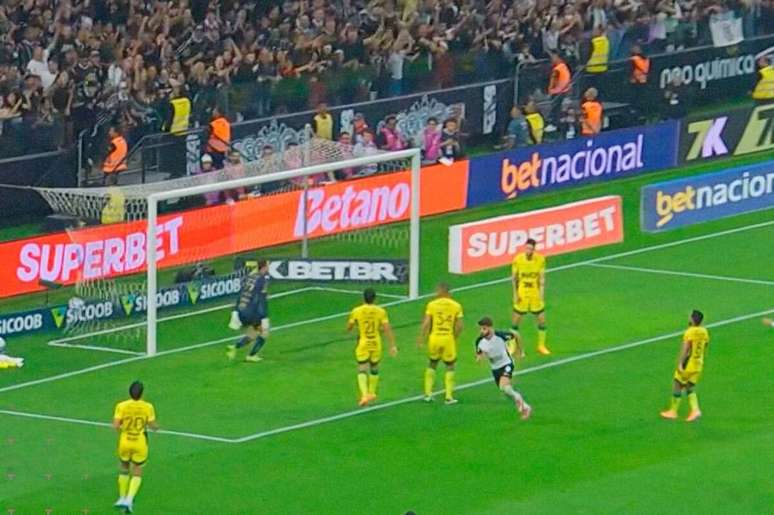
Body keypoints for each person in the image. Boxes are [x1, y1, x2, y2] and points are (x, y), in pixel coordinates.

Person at [347, 288, 398, 407]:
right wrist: (392, 345)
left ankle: (364, 394)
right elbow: (387, 329)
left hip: (364, 342)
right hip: (376, 342)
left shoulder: (356, 311)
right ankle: (372, 392)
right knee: (374, 366)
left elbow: (349, 326)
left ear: (363, 298)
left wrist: (354, 328)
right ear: (375, 298)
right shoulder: (380, 311)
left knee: (362, 368)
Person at [113, 380, 158, 513]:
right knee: (137, 470)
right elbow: (152, 425)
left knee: (124, 467)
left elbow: (115, 425)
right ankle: (129, 499)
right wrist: (157, 427)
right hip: (139, 442)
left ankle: (121, 497)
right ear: (142, 393)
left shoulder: (121, 406)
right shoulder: (148, 406)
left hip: (125, 441)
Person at [475, 317, 531, 420]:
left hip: (506, 364)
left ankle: (521, 402)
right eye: (481, 329)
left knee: (505, 387)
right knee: (505, 390)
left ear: (490, 328)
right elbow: (479, 353)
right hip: (495, 368)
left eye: (484, 329)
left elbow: (516, 335)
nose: (481, 331)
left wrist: (521, 351)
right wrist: (479, 358)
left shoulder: (500, 336)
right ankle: (525, 406)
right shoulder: (479, 341)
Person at [418, 283, 464, 404]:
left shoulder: (432, 305)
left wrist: (421, 338)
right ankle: (448, 396)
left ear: (440, 291)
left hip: (434, 337)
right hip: (447, 337)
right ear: (448, 292)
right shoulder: (456, 306)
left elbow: (426, 323)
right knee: (450, 365)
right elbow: (460, 326)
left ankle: (428, 394)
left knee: (432, 363)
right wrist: (454, 337)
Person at [660, 310, 710, 422]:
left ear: (692, 319)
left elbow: (685, 349)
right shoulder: (704, 331)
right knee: (689, 386)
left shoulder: (689, 332)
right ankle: (695, 410)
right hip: (698, 363)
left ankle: (673, 411)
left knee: (677, 384)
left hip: (689, 363)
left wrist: (680, 363)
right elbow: (705, 345)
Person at [511, 238, 550, 356]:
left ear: (534, 250)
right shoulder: (518, 260)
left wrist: (541, 295)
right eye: (527, 248)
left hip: (534, 293)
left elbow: (542, 278)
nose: (529, 251)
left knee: (542, 320)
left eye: (531, 249)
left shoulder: (540, 260)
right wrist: (515, 294)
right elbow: (514, 279)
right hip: (522, 292)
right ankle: (512, 346)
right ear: (524, 248)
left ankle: (541, 345)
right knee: (515, 321)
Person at [227, 259, 270, 363]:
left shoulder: (251, 276)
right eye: (268, 266)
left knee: (254, 332)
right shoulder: (262, 280)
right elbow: (260, 299)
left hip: (242, 309)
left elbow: (242, 293)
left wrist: (236, 310)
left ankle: (234, 347)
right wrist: (264, 316)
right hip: (252, 311)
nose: (268, 268)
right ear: (264, 267)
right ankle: (251, 355)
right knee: (264, 331)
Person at [547, 53, 571, 130]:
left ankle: (554, 124)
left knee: (555, 109)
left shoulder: (557, 69)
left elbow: (554, 81)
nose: (552, 59)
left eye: (554, 57)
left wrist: (550, 89)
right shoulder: (564, 67)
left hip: (556, 91)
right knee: (560, 109)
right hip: (563, 90)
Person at [629, 45, 651, 121]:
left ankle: (637, 112)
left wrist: (632, 77)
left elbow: (642, 69)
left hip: (637, 81)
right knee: (641, 97)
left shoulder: (635, 59)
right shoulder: (647, 58)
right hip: (643, 80)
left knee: (637, 98)